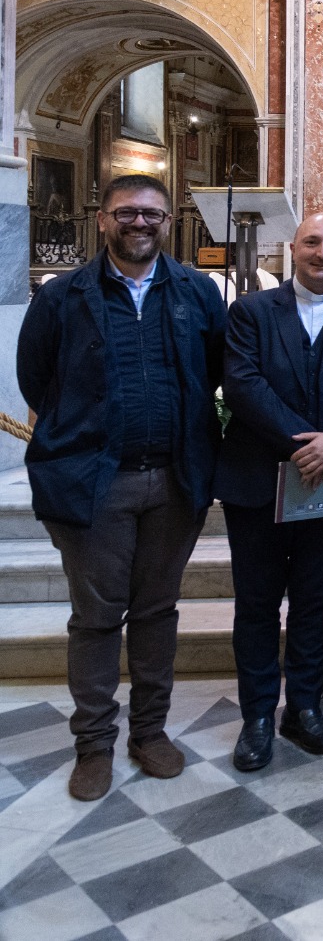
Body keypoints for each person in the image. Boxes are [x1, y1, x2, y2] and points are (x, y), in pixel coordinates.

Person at [18, 174, 227, 800]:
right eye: (128, 213)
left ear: (169, 221)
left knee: (157, 612)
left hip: (174, 480)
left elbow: (214, 371)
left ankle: (150, 733)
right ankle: (94, 745)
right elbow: (37, 382)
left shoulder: (196, 292)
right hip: (94, 483)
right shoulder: (63, 297)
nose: (141, 224)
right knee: (97, 618)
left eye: (153, 214)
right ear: (103, 218)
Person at [216, 213, 323, 770]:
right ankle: (258, 716)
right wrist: (303, 443)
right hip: (260, 480)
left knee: (317, 602)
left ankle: (306, 708)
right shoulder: (250, 311)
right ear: (293, 248)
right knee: (259, 605)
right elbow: (242, 383)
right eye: (312, 242)